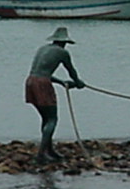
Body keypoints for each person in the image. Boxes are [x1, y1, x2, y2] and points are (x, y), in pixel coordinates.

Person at [25, 27, 85, 163]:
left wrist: (62, 82)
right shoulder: (62, 52)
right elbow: (71, 70)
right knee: (52, 119)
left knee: (46, 118)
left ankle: (49, 150)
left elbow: (42, 72)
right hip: (41, 84)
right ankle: (40, 155)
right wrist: (78, 82)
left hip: (30, 81)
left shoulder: (43, 49)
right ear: (64, 42)